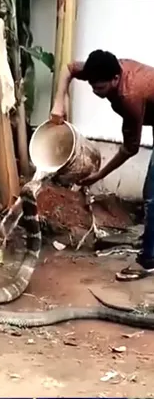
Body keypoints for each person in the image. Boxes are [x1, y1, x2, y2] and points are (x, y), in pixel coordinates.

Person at [50, 49, 154, 281]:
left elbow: (130, 148)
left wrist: (97, 176)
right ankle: (150, 237)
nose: (96, 93)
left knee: (152, 196)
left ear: (115, 80)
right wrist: (59, 101)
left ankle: (148, 259)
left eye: (101, 88)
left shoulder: (129, 97)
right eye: (92, 87)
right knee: (150, 192)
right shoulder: (101, 68)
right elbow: (68, 68)